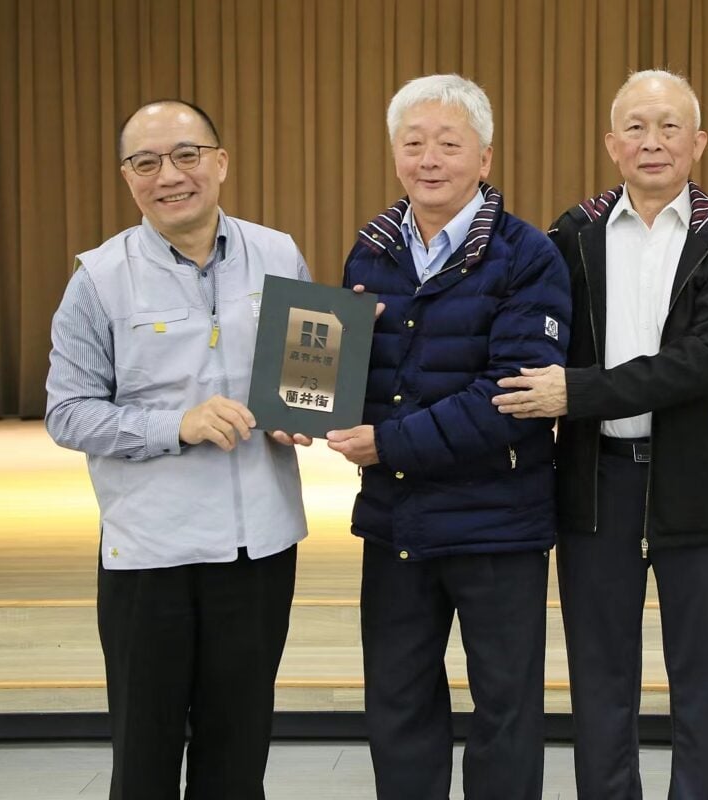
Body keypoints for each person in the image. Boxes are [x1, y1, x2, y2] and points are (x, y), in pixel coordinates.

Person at [494, 70, 708, 799]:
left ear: (698, 141)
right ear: (611, 144)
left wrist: (577, 391)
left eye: (670, 126)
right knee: (600, 684)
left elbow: (703, 364)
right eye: (637, 128)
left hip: (703, 484)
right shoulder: (571, 234)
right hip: (595, 485)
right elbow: (518, 327)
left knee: (707, 688)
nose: (653, 142)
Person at [45, 99, 310, 799]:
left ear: (221, 162)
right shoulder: (97, 279)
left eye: (187, 155)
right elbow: (68, 413)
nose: (170, 175)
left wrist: (310, 409)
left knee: (239, 749)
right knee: (145, 753)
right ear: (126, 177)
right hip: (150, 553)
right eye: (146, 162)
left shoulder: (279, 253)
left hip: (259, 545)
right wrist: (176, 425)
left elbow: (304, 375)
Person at [328, 74, 570, 799]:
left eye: (448, 143)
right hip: (396, 521)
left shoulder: (529, 256)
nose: (428, 159)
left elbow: (512, 397)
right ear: (394, 153)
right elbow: (346, 381)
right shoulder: (371, 251)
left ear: (485, 159)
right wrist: (305, 402)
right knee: (398, 705)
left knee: (505, 709)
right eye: (413, 143)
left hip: (498, 524)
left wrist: (388, 444)